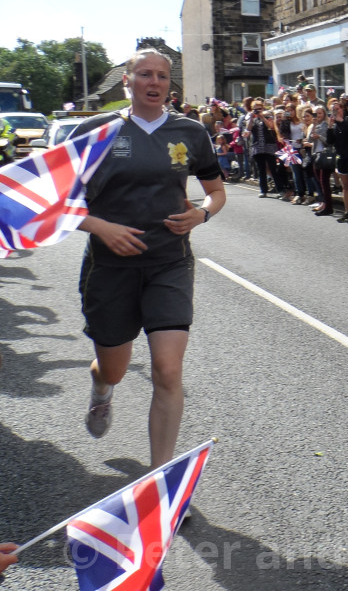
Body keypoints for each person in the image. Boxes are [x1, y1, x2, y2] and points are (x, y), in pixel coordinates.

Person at [73, 49, 225, 467]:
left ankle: (158, 482)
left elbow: (216, 191)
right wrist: (102, 228)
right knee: (115, 369)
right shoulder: (95, 131)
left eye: (162, 76)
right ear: (128, 81)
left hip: (169, 262)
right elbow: (58, 204)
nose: (154, 82)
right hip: (110, 267)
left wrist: (201, 213)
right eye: (145, 74)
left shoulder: (190, 132)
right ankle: (102, 384)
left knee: (168, 370)